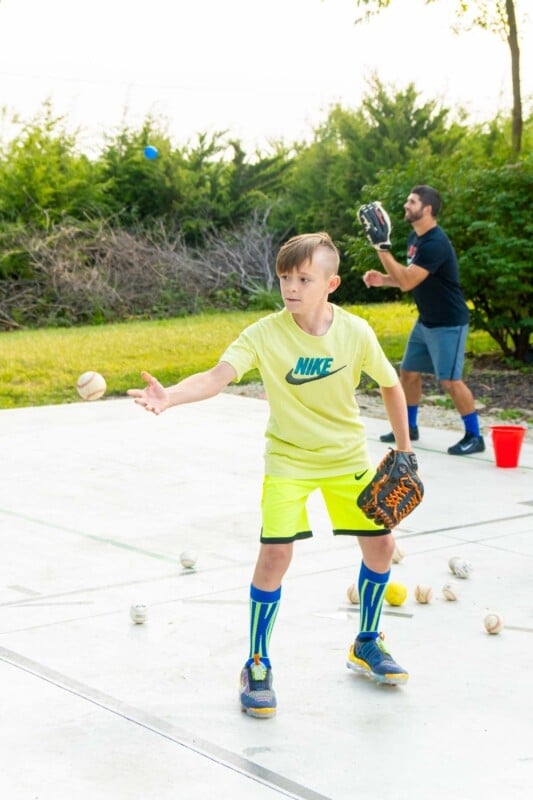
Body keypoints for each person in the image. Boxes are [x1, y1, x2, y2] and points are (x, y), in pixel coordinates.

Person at [128, 232, 414, 719]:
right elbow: (218, 376)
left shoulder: (356, 332)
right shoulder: (264, 333)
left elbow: (391, 385)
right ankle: (257, 661)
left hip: (346, 458)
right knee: (275, 555)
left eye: (304, 278)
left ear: (331, 283)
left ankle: (366, 642)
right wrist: (170, 396)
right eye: (285, 277)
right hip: (289, 459)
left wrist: (405, 452)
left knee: (381, 547)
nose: (291, 287)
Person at [363, 185, 485, 456]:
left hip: (448, 323)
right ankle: (410, 427)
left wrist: (382, 249)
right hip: (426, 320)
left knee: (450, 381)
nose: (406, 205)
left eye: (412, 201)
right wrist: (382, 279)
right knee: (408, 372)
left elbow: (407, 282)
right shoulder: (414, 239)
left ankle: (475, 436)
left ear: (426, 209)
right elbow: (410, 275)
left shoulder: (435, 243)